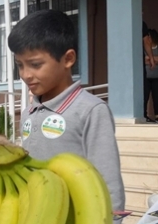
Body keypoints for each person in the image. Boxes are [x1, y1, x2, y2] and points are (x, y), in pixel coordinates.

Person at [10, 10, 125, 213]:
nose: (26, 75)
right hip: (36, 214)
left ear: (68, 59)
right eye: (20, 65)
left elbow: (108, 177)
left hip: (78, 218)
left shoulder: (91, 110)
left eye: (35, 64)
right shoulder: (28, 112)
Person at [145, 22, 158, 123]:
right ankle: (144, 116)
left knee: (156, 97)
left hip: (156, 77)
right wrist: (154, 59)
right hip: (146, 77)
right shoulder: (144, 49)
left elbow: (146, 59)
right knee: (144, 97)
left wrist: (149, 58)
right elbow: (142, 59)